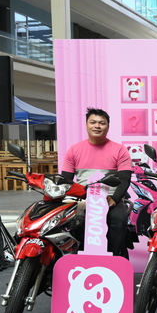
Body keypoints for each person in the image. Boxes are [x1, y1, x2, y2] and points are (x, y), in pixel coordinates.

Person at [61, 107, 132, 256]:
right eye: (93, 122)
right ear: (86, 125)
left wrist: (114, 199)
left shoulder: (119, 150)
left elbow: (125, 179)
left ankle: (112, 258)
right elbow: (65, 180)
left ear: (108, 126)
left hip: (110, 197)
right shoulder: (74, 150)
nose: (97, 126)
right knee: (67, 222)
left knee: (118, 221)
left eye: (102, 123)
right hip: (83, 198)